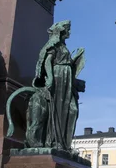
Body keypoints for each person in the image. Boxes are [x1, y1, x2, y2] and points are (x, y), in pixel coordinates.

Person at [16, 20, 85, 150]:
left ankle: (63, 142)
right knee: (59, 107)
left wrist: (75, 58)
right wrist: (51, 78)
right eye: (67, 30)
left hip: (66, 79)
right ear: (61, 31)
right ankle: (54, 140)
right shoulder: (54, 44)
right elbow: (48, 61)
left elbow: (66, 62)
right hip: (59, 78)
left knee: (71, 110)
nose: (69, 32)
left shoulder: (63, 46)